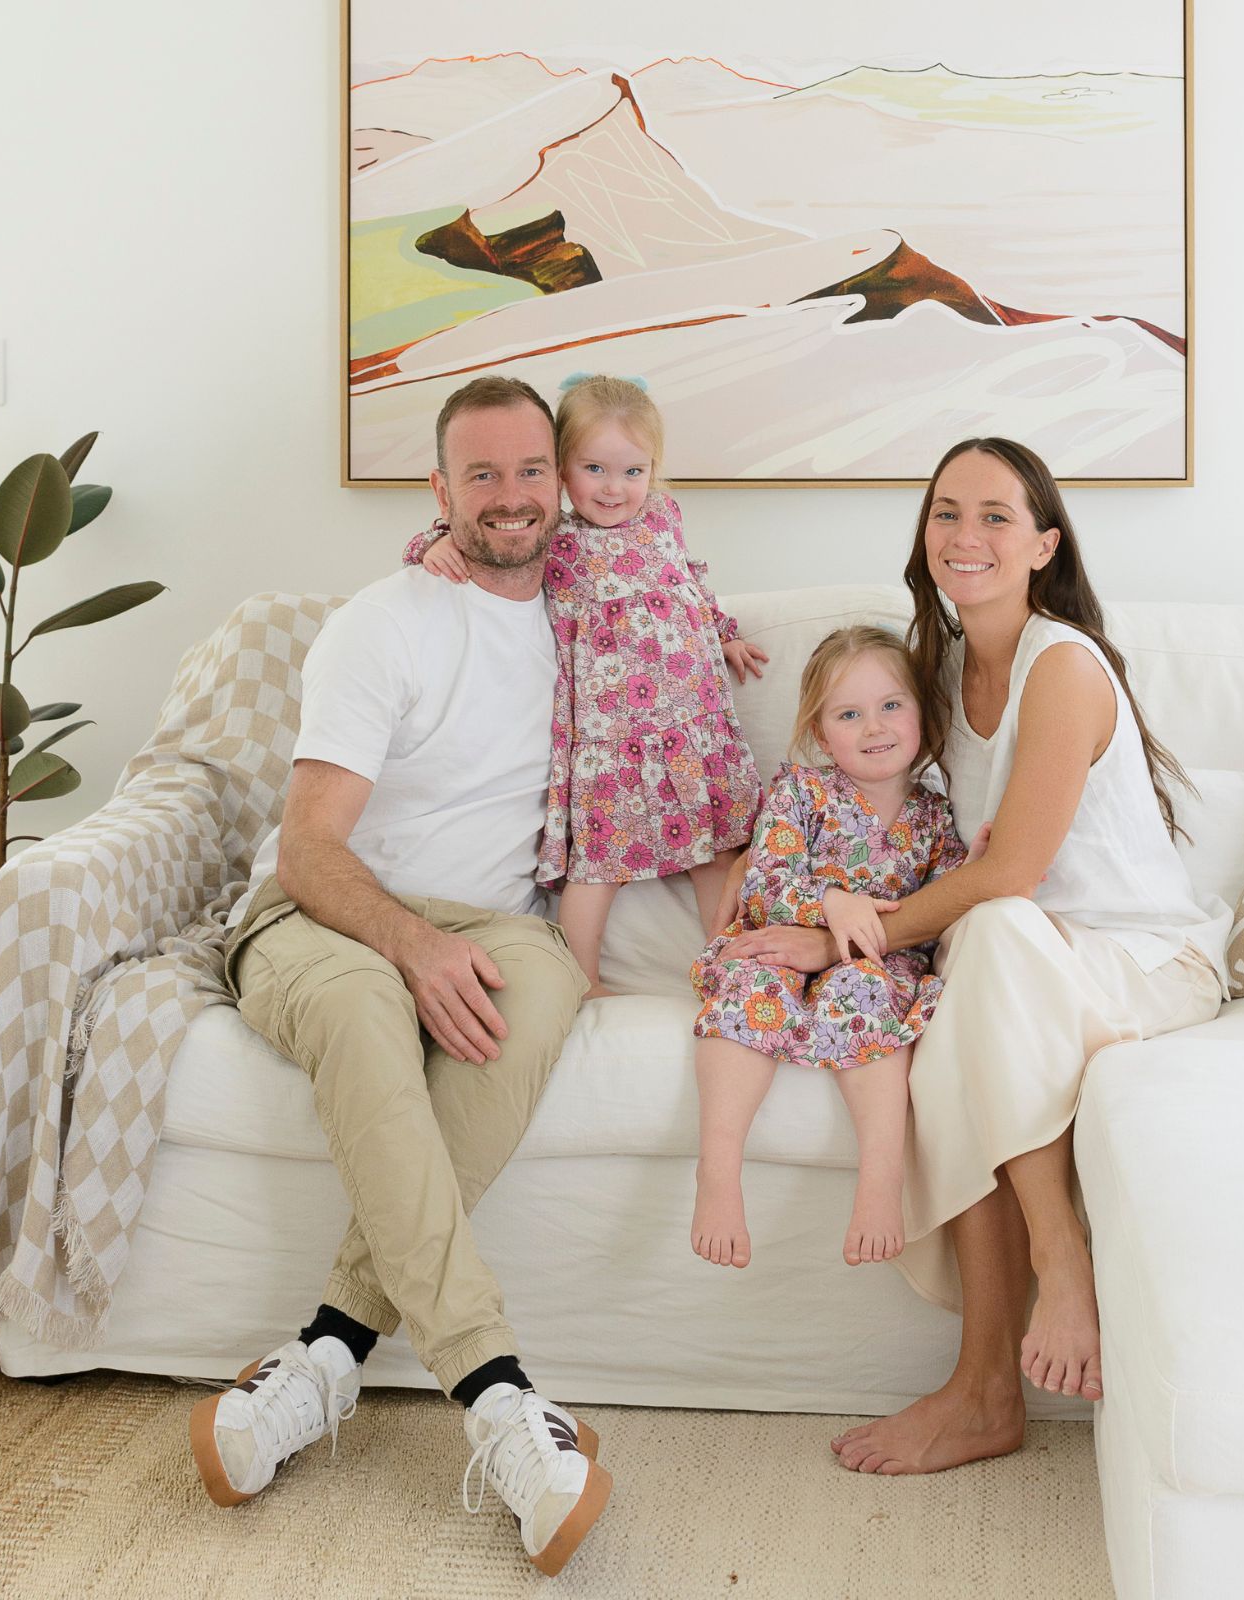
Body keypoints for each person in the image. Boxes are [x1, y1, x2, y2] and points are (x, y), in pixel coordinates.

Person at [724, 438, 1229, 1476]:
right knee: (956, 1007)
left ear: (1045, 544)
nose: (966, 536)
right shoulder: (938, 678)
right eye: (947, 512)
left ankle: (1057, 1264)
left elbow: (1014, 872)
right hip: (1023, 967)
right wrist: (802, 893)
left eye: (997, 516)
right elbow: (862, 803)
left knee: (988, 937)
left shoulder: (1063, 667)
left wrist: (843, 936)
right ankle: (986, 1388)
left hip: (1140, 963)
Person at [192, 376, 611, 1577]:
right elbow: (314, 844)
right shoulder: (387, 619)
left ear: (566, 482)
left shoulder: (600, 621)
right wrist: (411, 945)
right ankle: (493, 1389)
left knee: (545, 991)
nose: (511, 497)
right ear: (439, 491)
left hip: (492, 917)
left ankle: (325, 1355)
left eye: (532, 469)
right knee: (369, 1004)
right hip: (320, 909)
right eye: (480, 475)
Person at [412, 374, 768, 997]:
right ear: (561, 472)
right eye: (595, 468)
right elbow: (481, 540)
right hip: (612, 739)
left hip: (693, 722)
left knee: (720, 850)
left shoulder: (664, 517)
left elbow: (689, 581)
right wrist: (432, 544)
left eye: (633, 471)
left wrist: (725, 632)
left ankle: (729, 959)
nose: (614, 487)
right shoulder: (557, 540)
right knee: (598, 866)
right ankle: (581, 977)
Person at [688, 627, 972, 1271]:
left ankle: (880, 1177)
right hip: (780, 944)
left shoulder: (934, 818)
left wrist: (973, 868)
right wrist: (830, 902)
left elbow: (941, 909)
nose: (874, 726)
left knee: (863, 991)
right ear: (822, 735)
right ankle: (719, 1168)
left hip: (876, 965)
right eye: (850, 714)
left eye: (891, 705)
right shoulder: (799, 793)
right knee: (751, 988)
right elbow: (764, 878)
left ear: (924, 714)